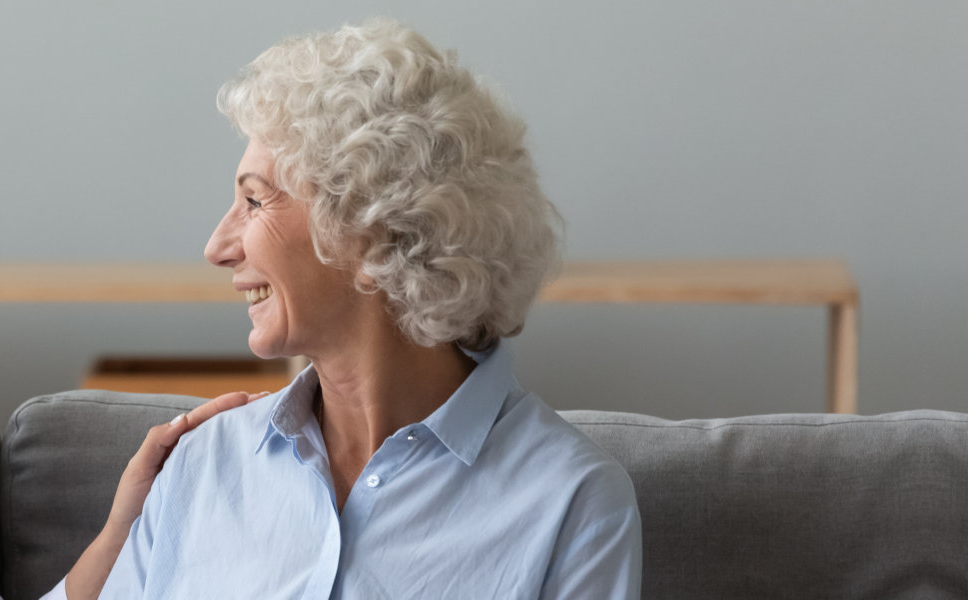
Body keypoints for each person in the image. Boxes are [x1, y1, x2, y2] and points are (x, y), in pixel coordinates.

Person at [57, 19, 641, 599]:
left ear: (370, 231)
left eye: (254, 200)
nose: (217, 247)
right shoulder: (201, 465)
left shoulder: (572, 503)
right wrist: (119, 536)